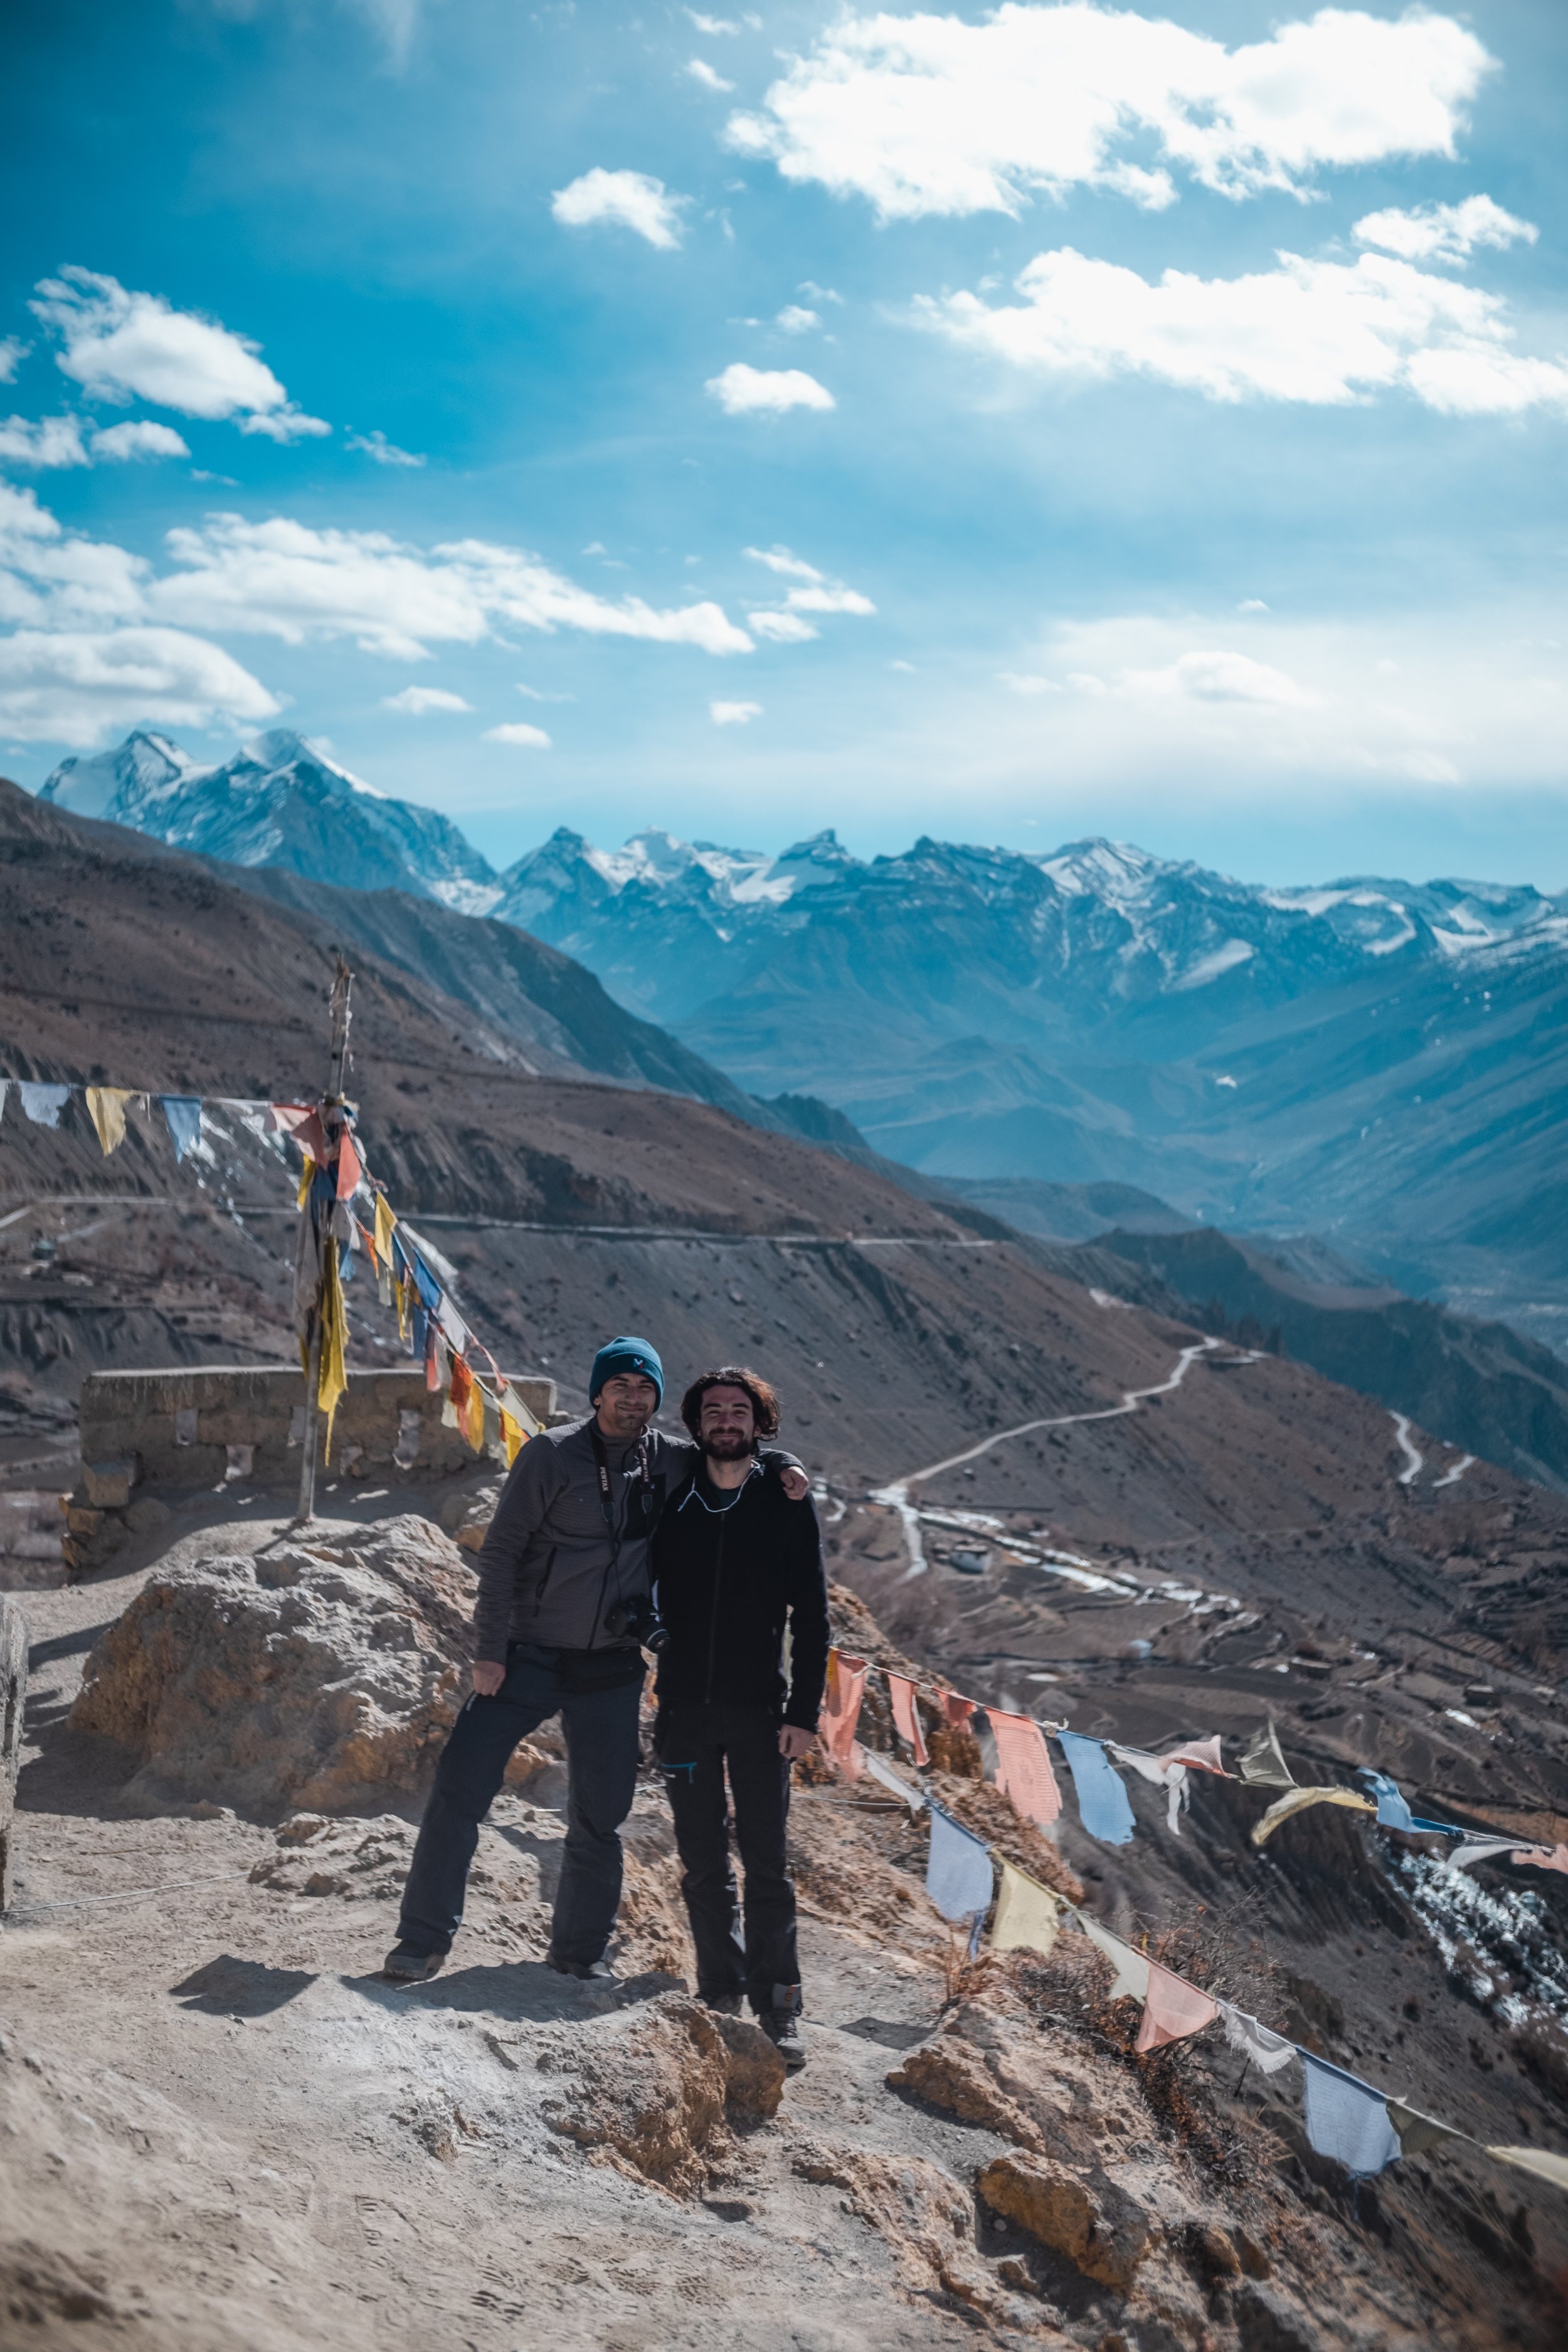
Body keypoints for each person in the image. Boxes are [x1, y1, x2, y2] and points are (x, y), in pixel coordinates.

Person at [383, 1337, 809, 1984]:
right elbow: (500, 1556)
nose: (633, 1398)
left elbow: (736, 1448)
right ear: (597, 1391)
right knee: (458, 1790)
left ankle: (578, 1954)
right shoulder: (549, 1455)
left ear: (657, 1400)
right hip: (527, 1656)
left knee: (599, 1816)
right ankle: (421, 1941)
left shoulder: (668, 1460)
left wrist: (784, 1462)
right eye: (622, 1386)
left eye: (646, 1389)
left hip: (610, 1666)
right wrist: (489, 1652)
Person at [650, 1366, 829, 2070]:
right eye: (714, 1412)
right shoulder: (673, 1492)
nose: (727, 1422)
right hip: (683, 1714)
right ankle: (719, 1992)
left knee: (767, 1867)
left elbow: (812, 1619)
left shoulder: (783, 1501)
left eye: (740, 1412)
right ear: (696, 1424)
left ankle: (779, 2005)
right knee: (701, 1866)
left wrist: (803, 1713)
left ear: (761, 1423)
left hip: (762, 1715)